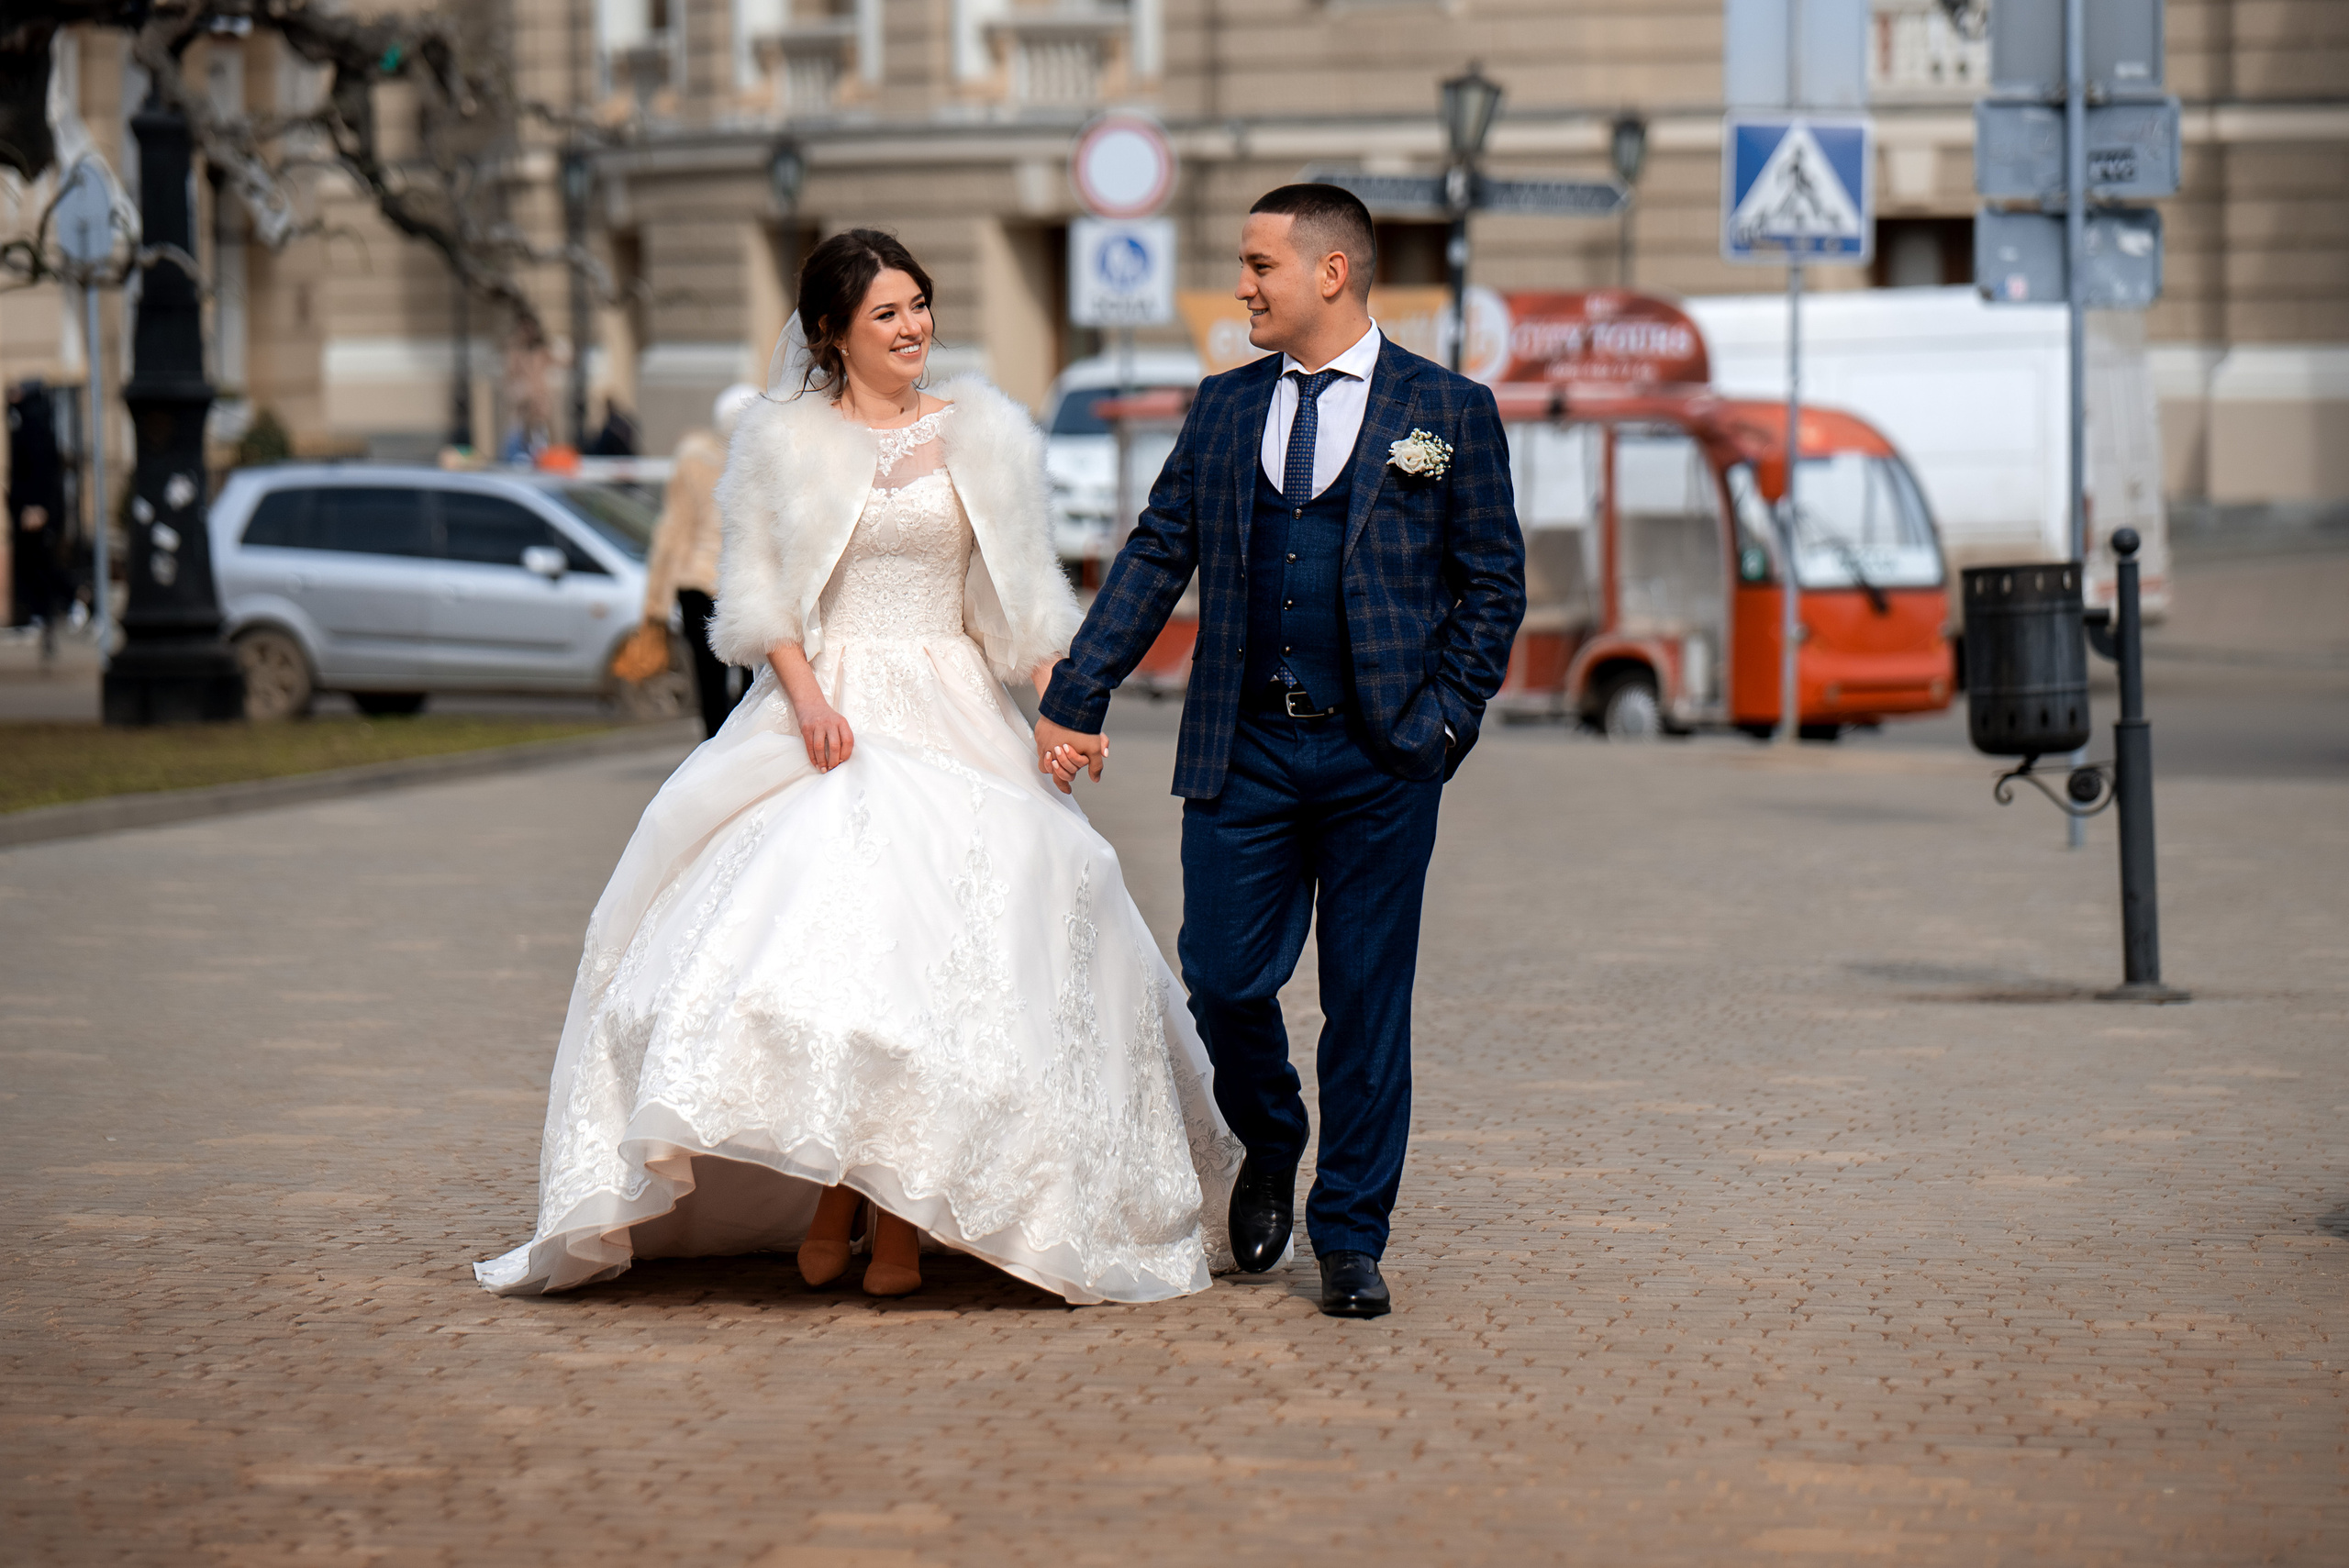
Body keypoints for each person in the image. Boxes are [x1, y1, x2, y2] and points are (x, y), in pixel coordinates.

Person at [477, 229, 1243, 1305]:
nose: (913, 326)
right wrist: (809, 698)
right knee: (830, 924)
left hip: (954, 703)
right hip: (827, 700)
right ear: (832, 334)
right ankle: (844, 1183)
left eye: (920, 305)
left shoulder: (986, 434)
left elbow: (1018, 599)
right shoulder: (781, 440)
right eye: (886, 313)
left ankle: (890, 1204)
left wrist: (1065, 707)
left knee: (1014, 902)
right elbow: (757, 594)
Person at [1032, 184, 1526, 1318]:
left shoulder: (1445, 409)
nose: (1242, 284)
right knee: (1220, 970)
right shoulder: (1220, 409)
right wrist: (1077, 688)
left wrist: (1443, 721)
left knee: (1364, 998)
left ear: (1331, 273)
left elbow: (1492, 584)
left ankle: (1351, 1232)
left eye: (1258, 265)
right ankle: (1270, 1131)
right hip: (1244, 746)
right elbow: (1157, 554)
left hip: (1381, 758)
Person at [638, 384, 758, 738]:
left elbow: (672, 534)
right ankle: (746, 750)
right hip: (747, 584)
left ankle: (715, 752)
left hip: (699, 581)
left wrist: (655, 603)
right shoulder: (763, 459)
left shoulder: (693, 460)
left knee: (710, 682)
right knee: (758, 679)